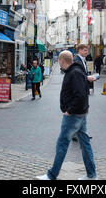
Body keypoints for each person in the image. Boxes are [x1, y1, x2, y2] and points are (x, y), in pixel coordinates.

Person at [36, 51, 98, 180]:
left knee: (62, 144)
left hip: (74, 115)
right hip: (81, 113)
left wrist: (69, 110)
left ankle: (52, 175)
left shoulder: (74, 73)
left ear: (63, 60)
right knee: (85, 143)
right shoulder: (76, 71)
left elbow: (80, 95)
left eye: (59, 61)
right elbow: (83, 91)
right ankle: (91, 175)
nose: (59, 63)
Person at [73, 44, 96, 141]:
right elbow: (77, 75)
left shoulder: (82, 60)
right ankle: (76, 134)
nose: (87, 52)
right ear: (80, 50)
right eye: (85, 50)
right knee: (79, 112)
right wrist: (87, 78)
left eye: (87, 50)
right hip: (79, 91)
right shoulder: (77, 61)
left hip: (83, 90)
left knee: (82, 112)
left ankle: (81, 133)